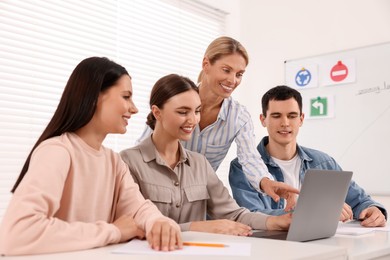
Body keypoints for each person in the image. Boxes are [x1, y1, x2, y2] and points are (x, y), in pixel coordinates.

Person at [0, 57, 182, 256]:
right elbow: (18, 233)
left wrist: (159, 222)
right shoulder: (57, 151)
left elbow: (138, 211)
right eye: (126, 96)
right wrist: (114, 231)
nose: (135, 108)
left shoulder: (113, 161)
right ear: (95, 97)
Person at [136, 36, 299, 209]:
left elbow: (250, 158)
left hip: (196, 200)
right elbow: (142, 150)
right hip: (156, 195)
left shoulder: (238, 117)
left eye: (239, 74)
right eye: (226, 70)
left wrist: (266, 182)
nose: (232, 80)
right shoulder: (174, 99)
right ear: (206, 65)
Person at [120, 74, 292, 236]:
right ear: (157, 112)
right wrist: (196, 227)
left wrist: (276, 222)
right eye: (182, 112)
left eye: (197, 111)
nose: (193, 120)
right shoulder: (128, 161)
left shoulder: (199, 164)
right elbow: (134, 227)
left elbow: (234, 214)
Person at [229, 85, 387, 227]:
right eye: (276, 116)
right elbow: (251, 215)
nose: (285, 123)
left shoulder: (324, 162)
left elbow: (360, 200)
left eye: (292, 116)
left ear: (301, 119)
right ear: (263, 120)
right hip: (270, 247)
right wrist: (316, 212)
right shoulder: (242, 167)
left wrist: (372, 209)